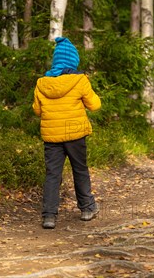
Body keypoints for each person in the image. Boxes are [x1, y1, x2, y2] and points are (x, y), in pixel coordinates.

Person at [32, 37, 101, 229]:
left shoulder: (42, 83)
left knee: (53, 174)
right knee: (80, 169)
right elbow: (95, 105)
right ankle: (87, 208)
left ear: (56, 61)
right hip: (75, 134)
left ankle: (49, 216)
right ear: (73, 61)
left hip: (52, 136)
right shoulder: (80, 80)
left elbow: (37, 111)